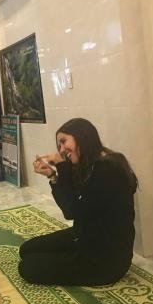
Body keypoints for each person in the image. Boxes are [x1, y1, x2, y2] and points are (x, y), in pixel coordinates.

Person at [19, 118, 138, 286]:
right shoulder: (89, 164)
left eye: (63, 142)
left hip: (104, 261)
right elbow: (72, 201)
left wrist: (62, 167)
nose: (61, 150)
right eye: (59, 145)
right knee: (27, 249)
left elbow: (71, 211)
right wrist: (53, 176)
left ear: (81, 136)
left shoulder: (108, 169)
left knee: (27, 267)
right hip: (84, 237)